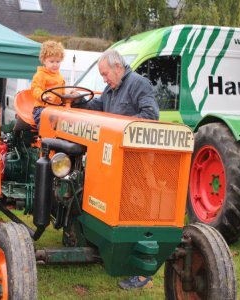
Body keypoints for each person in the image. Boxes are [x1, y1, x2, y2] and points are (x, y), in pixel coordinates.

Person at [80, 49, 159, 289]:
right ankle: (106, 250)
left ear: (117, 67)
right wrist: (77, 102)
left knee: (134, 213)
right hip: (111, 161)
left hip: (136, 161)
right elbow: (97, 106)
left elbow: (150, 116)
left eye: (105, 73)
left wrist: (117, 129)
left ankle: (143, 271)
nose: (104, 78)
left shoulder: (138, 84)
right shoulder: (110, 90)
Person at [31, 40, 65, 129]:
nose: (55, 65)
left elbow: (62, 91)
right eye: (52, 61)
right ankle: (44, 140)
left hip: (57, 108)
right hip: (42, 108)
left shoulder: (59, 76)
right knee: (46, 124)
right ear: (44, 60)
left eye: (58, 61)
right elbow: (36, 89)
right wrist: (43, 95)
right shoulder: (40, 75)